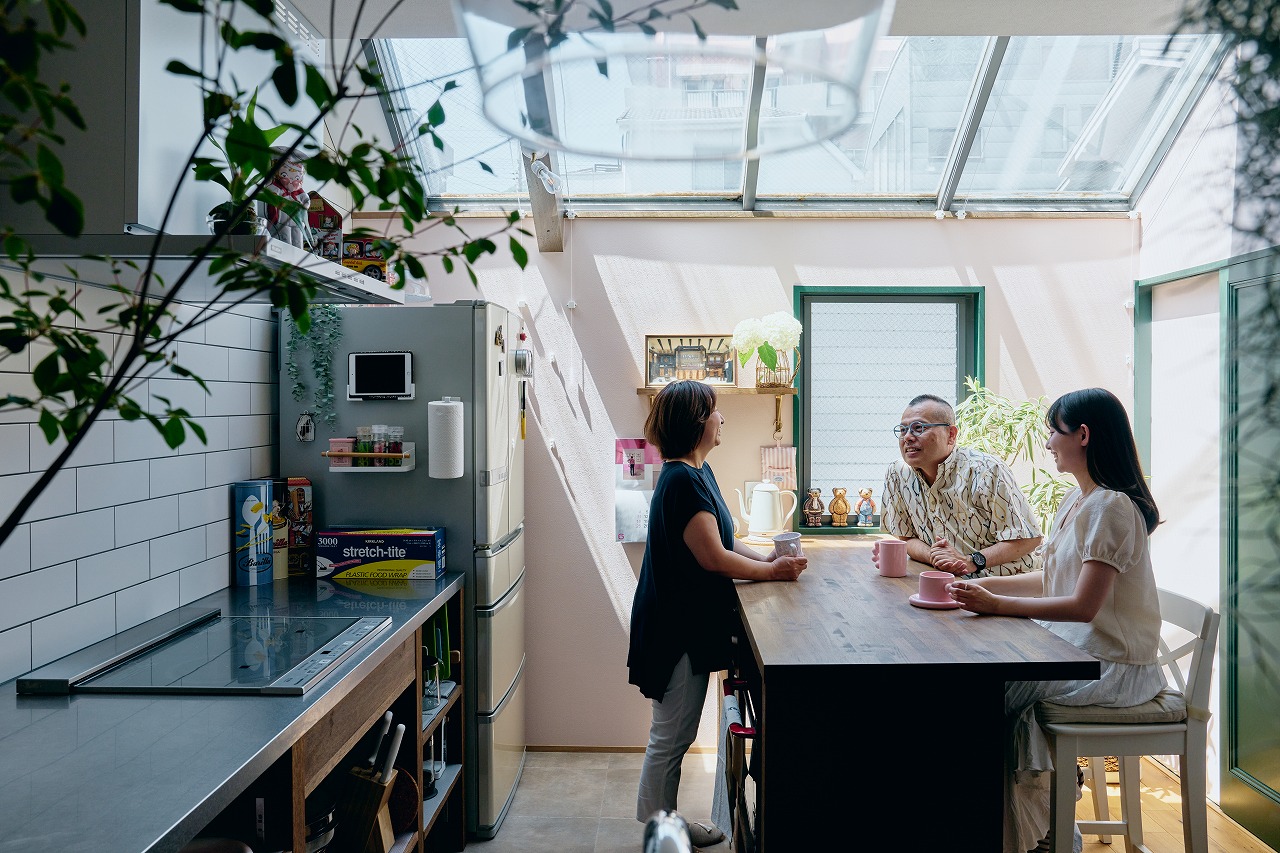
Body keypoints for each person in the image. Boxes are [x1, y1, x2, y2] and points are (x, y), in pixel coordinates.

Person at [947, 388, 1164, 853]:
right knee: (982, 693)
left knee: (983, 697)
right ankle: (1040, 828)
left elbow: (1082, 606)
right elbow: (1051, 578)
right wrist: (978, 584)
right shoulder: (1077, 500)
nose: (1047, 442)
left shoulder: (1111, 506)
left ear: (1082, 435)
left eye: (1053, 431)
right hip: (1076, 653)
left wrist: (997, 605)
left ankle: (1036, 833)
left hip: (1113, 668)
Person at [627, 380, 808, 848]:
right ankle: (659, 833)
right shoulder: (682, 481)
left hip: (681, 623)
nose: (721, 419)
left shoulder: (696, 472)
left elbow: (726, 542)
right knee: (670, 738)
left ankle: (664, 825)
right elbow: (713, 559)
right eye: (714, 411)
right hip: (674, 631)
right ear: (695, 423)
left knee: (673, 734)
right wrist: (772, 574)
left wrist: (768, 560)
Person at [880, 393, 1042, 577]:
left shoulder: (986, 470)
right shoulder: (897, 473)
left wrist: (971, 561)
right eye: (903, 430)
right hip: (944, 583)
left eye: (919, 428)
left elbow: (1029, 539)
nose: (907, 437)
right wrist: (936, 557)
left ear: (951, 434)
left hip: (1005, 588)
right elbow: (906, 537)